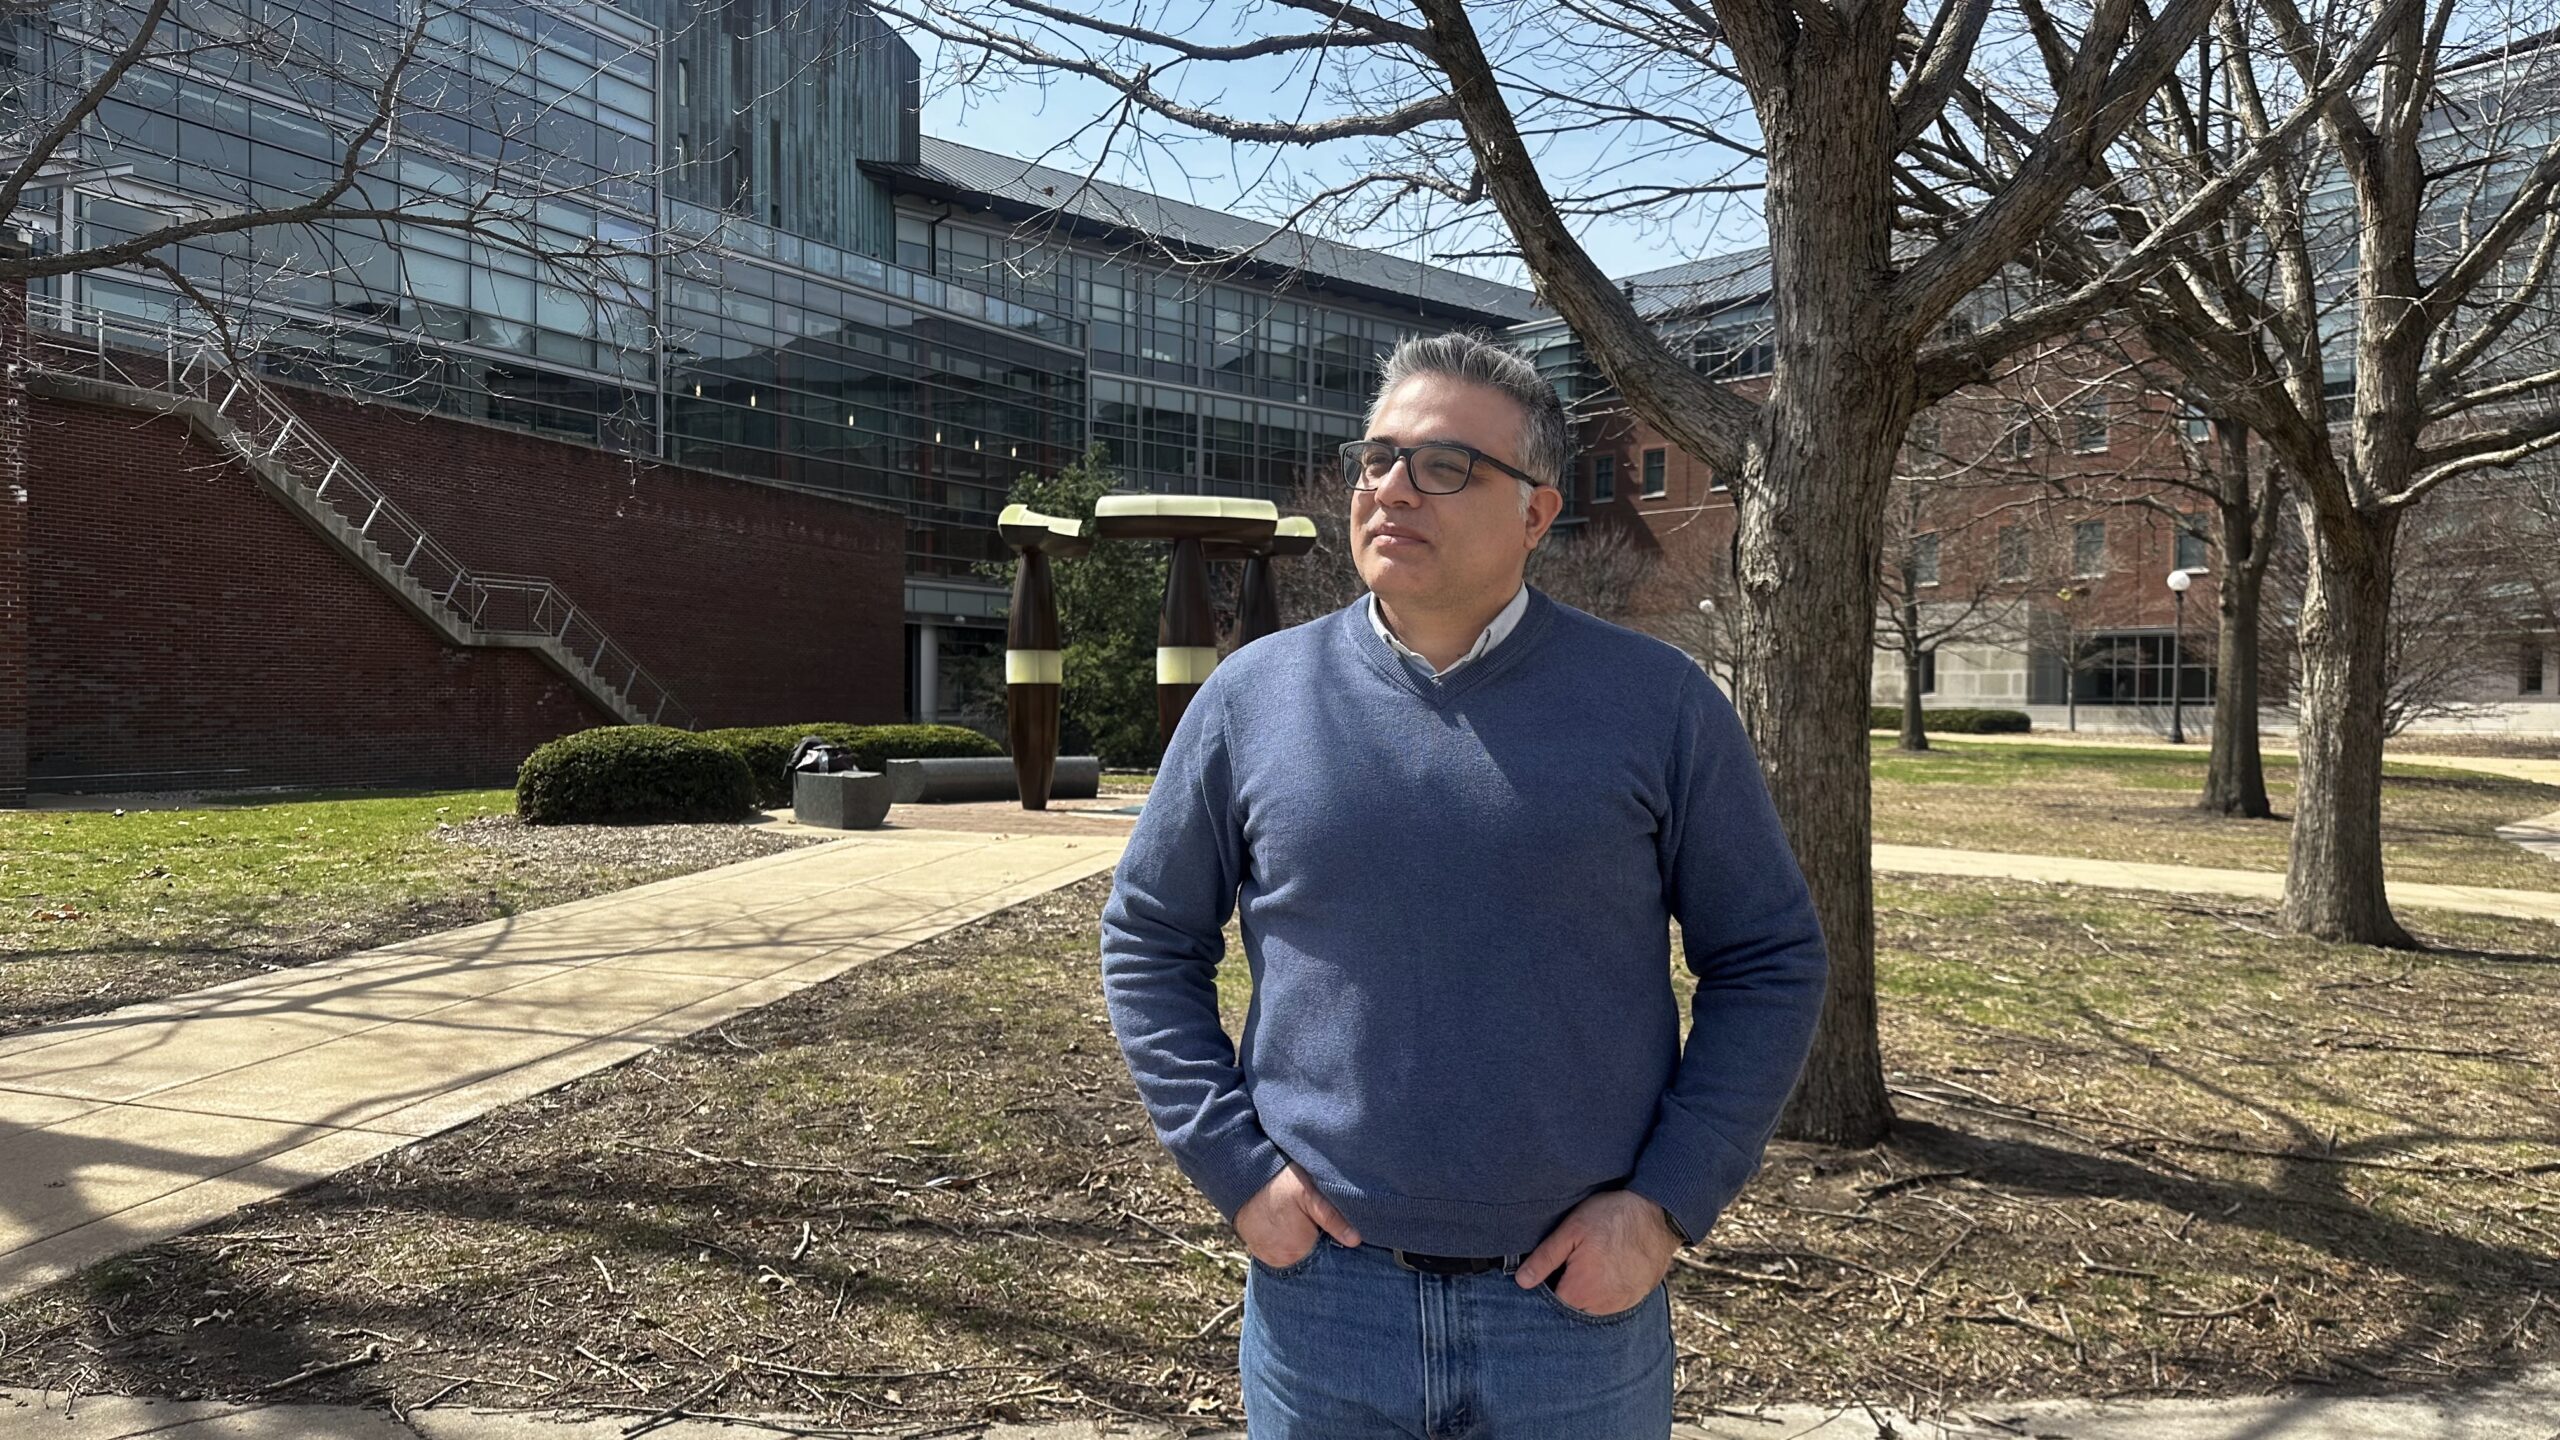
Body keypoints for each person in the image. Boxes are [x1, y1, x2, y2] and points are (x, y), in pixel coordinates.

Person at [1099, 330, 1830, 1439]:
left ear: (1537, 515)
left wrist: (1667, 1205)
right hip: (1322, 1306)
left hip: (1572, 1316)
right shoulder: (1253, 700)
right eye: (1376, 458)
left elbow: (1768, 959)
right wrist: (1236, 1171)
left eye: (1443, 466)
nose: (1392, 489)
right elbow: (1149, 943)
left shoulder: (1658, 704)